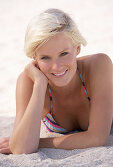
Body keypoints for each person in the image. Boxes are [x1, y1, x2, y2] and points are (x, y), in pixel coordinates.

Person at [0, 8, 112, 154]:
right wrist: (40, 85)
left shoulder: (99, 65)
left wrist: (38, 142)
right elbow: (22, 149)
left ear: (77, 49)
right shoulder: (29, 82)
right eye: (45, 57)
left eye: (64, 53)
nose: (56, 67)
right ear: (35, 57)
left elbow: (97, 138)